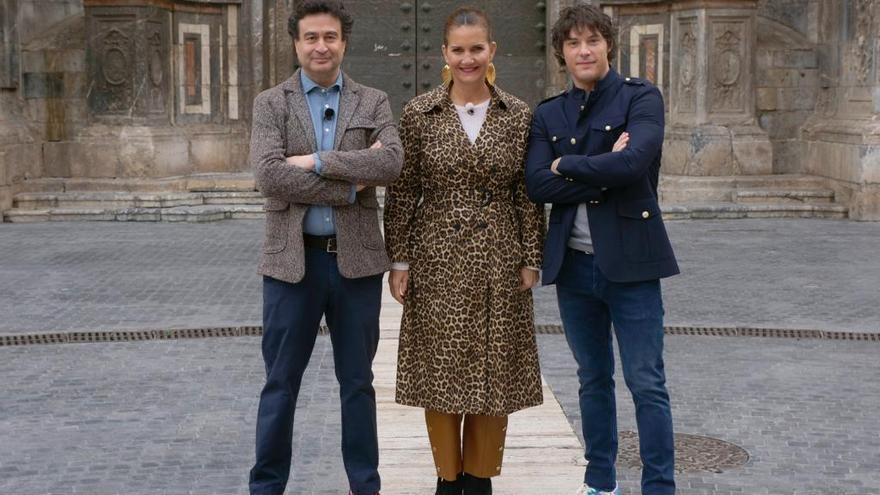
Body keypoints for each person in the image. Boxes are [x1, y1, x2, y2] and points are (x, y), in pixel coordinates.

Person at [383, 6, 545, 495]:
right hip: (437, 259)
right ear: (444, 55)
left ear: (492, 50)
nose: (468, 58)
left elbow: (526, 192)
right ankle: (446, 479)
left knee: (496, 371)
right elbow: (404, 190)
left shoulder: (517, 114)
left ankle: (480, 480)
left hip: (501, 255)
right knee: (442, 368)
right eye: (459, 50)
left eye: (477, 48)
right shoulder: (419, 113)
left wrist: (531, 256)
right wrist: (400, 259)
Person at [247, 1, 402, 494]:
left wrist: (313, 160)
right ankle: (266, 487)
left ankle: (365, 486)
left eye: (330, 37)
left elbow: (392, 163)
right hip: (291, 266)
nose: (321, 46)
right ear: (296, 42)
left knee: (357, 386)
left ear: (344, 42)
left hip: (355, 266)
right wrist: (350, 183)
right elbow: (269, 175)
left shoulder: (373, 100)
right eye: (311, 37)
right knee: (280, 385)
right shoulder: (271, 103)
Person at [524, 4, 679, 495]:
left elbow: (634, 164)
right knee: (593, 380)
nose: (583, 50)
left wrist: (566, 163)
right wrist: (597, 167)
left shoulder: (642, 97)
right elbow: (536, 185)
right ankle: (600, 482)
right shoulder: (549, 111)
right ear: (561, 53)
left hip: (631, 266)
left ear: (608, 44)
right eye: (573, 43)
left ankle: (659, 487)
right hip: (574, 270)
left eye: (592, 40)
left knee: (646, 383)